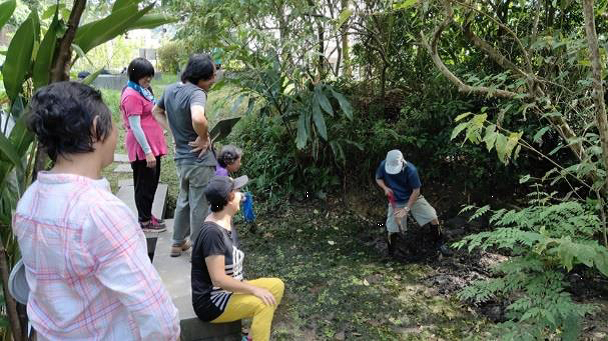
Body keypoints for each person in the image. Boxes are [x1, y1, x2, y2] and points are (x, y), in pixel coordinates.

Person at [14, 81, 180, 340]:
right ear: (95, 128)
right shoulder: (101, 213)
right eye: (113, 123)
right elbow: (156, 314)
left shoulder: (28, 202)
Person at [192, 176, 284, 341]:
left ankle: (250, 338)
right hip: (212, 300)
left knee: (276, 286)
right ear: (229, 199)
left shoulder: (225, 219)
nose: (242, 195)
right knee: (263, 304)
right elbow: (218, 279)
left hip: (229, 289)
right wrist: (254, 290)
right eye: (237, 191)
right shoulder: (212, 233)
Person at [153, 53, 218, 257]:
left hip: (181, 158)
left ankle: (177, 242)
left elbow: (156, 111)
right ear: (201, 77)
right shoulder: (197, 93)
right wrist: (203, 136)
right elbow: (198, 117)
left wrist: (173, 131)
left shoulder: (171, 88)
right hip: (199, 161)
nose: (214, 80)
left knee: (184, 199)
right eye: (211, 76)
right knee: (199, 204)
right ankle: (199, 250)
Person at [375, 149, 452, 259]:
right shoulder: (384, 165)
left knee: (433, 217)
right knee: (392, 228)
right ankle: (391, 254)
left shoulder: (411, 170)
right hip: (395, 201)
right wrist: (385, 188)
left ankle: (439, 244)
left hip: (414, 198)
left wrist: (406, 209)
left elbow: (416, 191)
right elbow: (378, 178)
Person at [121, 57, 168, 232]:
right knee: (144, 184)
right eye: (144, 77)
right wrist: (147, 151)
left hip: (151, 145)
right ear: (135, 75)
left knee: (152, 182)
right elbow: (134, 126)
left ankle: (147, 215)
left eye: (150, 76)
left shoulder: (143, 90)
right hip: (143, 148)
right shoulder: (131, 95)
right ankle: (144, 221)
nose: (148, 80)